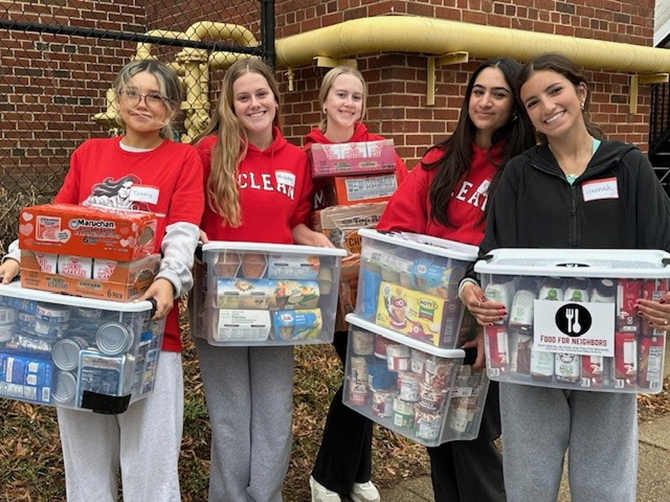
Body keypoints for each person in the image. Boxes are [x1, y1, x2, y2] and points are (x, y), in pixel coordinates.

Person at [459, 53, 670, 502]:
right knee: (529, 486)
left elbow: (663, 252)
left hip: (612, 351)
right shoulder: (519, 174)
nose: (547, 106)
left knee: (604, 487)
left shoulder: (628, 166)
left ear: (581, 91)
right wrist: (470, 290)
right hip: (530, 350)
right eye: (532, 102)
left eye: (555, 91)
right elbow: (489, 257)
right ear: (527, 116)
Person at [0, 59, 204, 501]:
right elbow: (55, 221)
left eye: (156, 96)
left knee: (150, 460)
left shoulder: (182, 159)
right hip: (74, 324)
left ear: (172, 109)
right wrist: (18, 258)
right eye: (133, 93)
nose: (142, 104)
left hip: (148, 330)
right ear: (118, 98)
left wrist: (169, 280)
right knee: (86, 459)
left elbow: (184, 229)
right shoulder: (89, 153)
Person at [376, 58, 535, 502]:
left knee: (471, 434)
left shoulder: (523, 168)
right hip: (426, 315)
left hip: (483, 316)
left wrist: (490, 322)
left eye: (499, 94)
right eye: (478, 91)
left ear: (515, 104)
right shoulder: (440, 159)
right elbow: (396, 230)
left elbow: (515, 252)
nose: (484, 102)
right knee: (434, 429)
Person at [193, 58, 330, 502]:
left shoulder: (296, 159)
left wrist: (317, 239)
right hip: (220, 303)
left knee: (275, 412)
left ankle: (264, 498)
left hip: (278, 305)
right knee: (231, 414)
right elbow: (187, 216)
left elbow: (294, 224)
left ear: (275, 97)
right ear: (230, 106)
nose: (255, 104)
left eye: (262, 94)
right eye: (243, 97)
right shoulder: (208, 153)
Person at [305, 65, 408, 502]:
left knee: (371, 369)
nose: (348, 104)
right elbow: (295, 217)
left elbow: (405, 204)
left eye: (356, 97)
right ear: (325, 101)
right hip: (334, 282)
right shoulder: (306, 155)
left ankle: (356, 470)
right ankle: (327, 476)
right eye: (341, 95)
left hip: (378, 281)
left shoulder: (381, 153)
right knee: (361, 370)